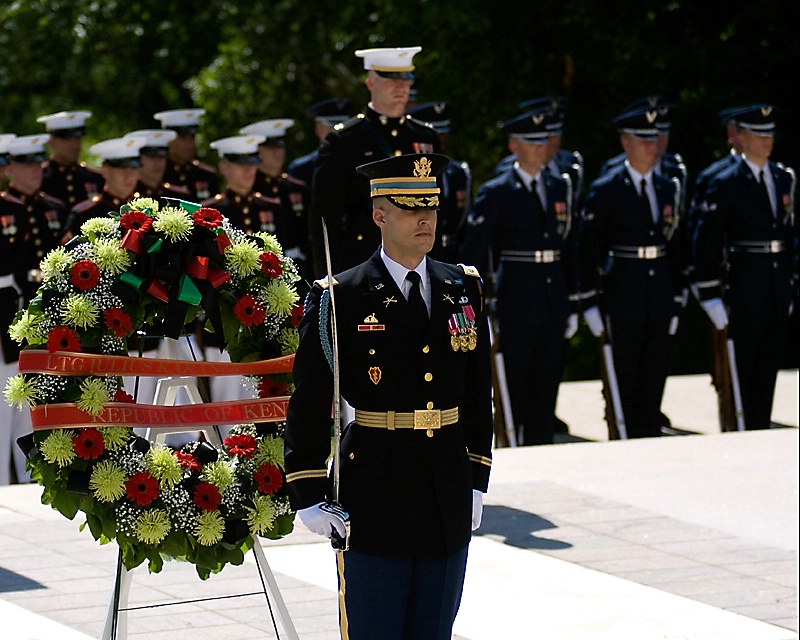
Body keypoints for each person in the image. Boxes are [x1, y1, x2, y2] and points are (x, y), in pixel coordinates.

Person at [285, 153, 493, 640]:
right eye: (408, 208)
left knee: (433, 629)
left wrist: (477, 475)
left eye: (431, 207)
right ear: (380, 216)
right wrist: (309, 491)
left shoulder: (461, 287)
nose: (425, 219)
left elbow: (475, 391)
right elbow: (312, 397)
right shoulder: (342, 295)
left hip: (444, 480)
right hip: (375, 484)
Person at [460, 108, 577, 446]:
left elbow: (568, 244)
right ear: (514, 146)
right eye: (531, 142)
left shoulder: (559, 186)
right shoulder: (498, 191)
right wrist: (477, 304)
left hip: (552, 296)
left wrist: (573, 299)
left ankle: (541, 443)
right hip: (516, 298)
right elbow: (476, 251)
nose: (541, 148)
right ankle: (514, 444)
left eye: (543, 141)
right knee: (516, 381)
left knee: (548, 380)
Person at [576, 106, 684, 439]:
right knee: (624, 377)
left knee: (655, 374)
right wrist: (589, 301)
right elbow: (587, 247)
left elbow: (676, 244)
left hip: (659, 292)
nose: (652, 146)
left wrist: (678, 294)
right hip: (623, 292)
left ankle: (649, 433)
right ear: (626, 143)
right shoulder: (608, 188)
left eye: (654, 139)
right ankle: (624, 440)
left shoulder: (668, 186)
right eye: (643, 140)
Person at [692, 104, 797, 431]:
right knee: (741, 371)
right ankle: (738, 430)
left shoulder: (782, 178)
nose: (767, 140)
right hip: (744, 286)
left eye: (770, 133)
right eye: (759, 134)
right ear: (742, 137)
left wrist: (790, 281)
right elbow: (707, 240)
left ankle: (760, 426)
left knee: (767, 369)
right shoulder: (726, 181)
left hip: (775, 284)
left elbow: (789, 233)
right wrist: (709, 293)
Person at [307, 46, 440, 277]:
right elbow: (325, 215)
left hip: (417, 261)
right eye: (389, 79)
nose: (400, 87)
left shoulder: (425, 136)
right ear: (370, 83)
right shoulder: (344, 139)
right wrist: (329, 276)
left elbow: (437, 203)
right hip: (362, 261)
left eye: (406, 79)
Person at [0, 134, 68, 484]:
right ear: (9, 167)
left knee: (40, 399)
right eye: (24, 163)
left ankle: (34, 476)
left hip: (48, 314)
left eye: (36, 162)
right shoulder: (4, 207)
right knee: (6, 403)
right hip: (8, 312)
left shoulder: (52, 206)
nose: (34, 170)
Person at [239, 119, 310, 277]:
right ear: (257, 151)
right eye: (270, 147)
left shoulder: (296, 187)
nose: (277, 152)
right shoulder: (250, 188)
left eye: (280, 146)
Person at [407, 101, 472, 263]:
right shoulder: (408, 173)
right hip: (418, 253)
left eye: (444, 134)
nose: (440, 139)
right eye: (436, 134)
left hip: (453, 253)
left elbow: (463, 222)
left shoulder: (459, 172)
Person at [61, 136, 147, 243]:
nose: (128, 176)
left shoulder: (147, 208)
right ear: (105, 171)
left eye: (133, 169)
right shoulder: (84, 214)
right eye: (122, 169)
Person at [287, 97, 356, 197]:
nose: (339, 132)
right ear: (318, 129)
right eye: (332, 127)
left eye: (344, 127)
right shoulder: (302, 170)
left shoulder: (361, 162)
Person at [36, 110, 104, 209]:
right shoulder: (39, 179)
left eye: (77, 138)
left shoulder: (96, 178)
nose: (74, 144)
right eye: (66, 139)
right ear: (51, 141)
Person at [153, 108, 220, 202]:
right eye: (183, 138)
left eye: (192, 137)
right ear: (168, 140)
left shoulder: (206, 175)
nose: (189, 143)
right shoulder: (157, 173)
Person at [123, 129, 191, 206]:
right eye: (152, 156)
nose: (157, 162)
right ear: (138, 160)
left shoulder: (180, 197)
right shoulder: (127, 198)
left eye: (161, 156)